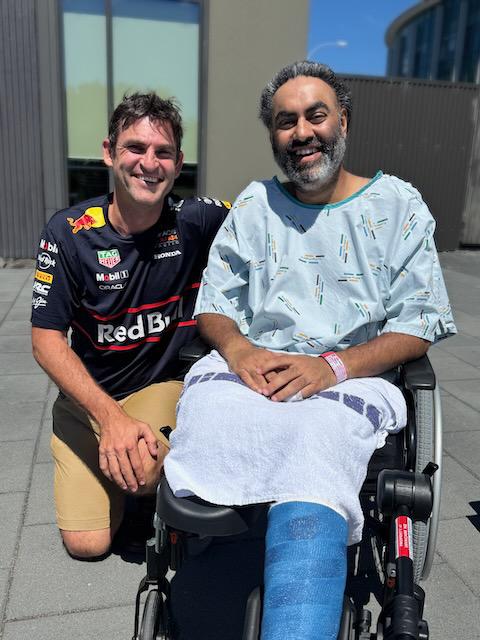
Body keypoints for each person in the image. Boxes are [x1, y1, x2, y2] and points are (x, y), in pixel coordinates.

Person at [164, 62, 456, 639]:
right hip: (256, 369)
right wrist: (238, 350)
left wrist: (332, 367)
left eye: (315, 116)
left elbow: (419, 323)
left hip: (350, 375)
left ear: (343, 121)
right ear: (273, 135)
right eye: (285, 121)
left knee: (316, 440)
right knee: (206, 412)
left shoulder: (398, 206)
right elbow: (215, 304)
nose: (302, 133)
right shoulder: (255, 206)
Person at [31, 93, 230, 559]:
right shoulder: (68, 232)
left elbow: (267, 219)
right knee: (88, 545)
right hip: (88, 400)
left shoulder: (196, 219)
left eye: (163, 152)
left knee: (140, 470)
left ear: (178, 163)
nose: (149, 163)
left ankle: (143, 486)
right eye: (135, 148)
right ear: (109, 152)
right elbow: (45, 341)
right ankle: (120, 471)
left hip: (158, 385)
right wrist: (111, 419)